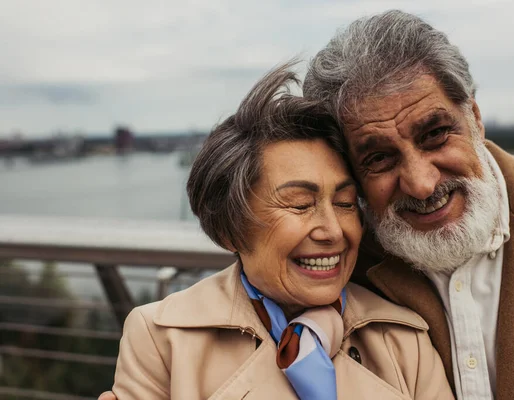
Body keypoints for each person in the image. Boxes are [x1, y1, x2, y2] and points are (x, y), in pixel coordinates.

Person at [301, 9, 514, 400]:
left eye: (436, 135)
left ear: (474, 117)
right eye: (379, 159)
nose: (422, 185)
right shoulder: (338, 267)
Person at [108, 63, 454, 399]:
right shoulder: (162, 339)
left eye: (346, 203)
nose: (333, 231)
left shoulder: (405, 340)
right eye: (301, 204)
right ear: (230, 227)